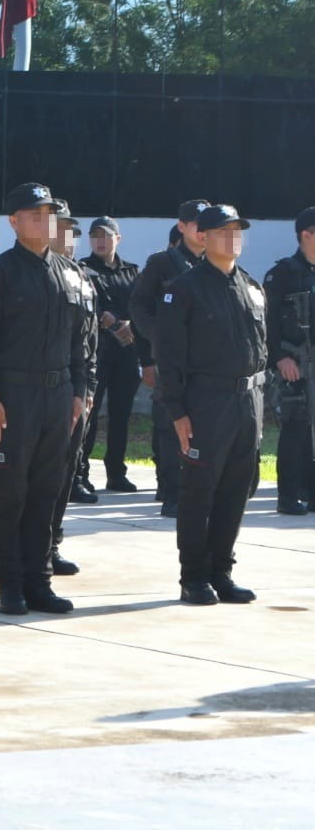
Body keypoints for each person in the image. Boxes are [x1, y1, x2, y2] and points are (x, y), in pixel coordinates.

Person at [0, 183, 89, 616]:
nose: (44, 221)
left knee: (46, 491)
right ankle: (11, 583)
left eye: (49, 214)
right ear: (15, 222)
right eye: (34, 214)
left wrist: (80, 392)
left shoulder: (70, 272)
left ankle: (40, 580)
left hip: (59, 397)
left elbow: (80, 341)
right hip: (13, 397)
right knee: (9, 494)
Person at [155, 203, 266, 605]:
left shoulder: (251, 287)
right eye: (224, 231)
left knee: (237, 490)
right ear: (203, 236)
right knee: (200, 491)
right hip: (206, 402)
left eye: (238, 230)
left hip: (247, 401)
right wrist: (177, 411)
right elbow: (167, 356)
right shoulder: (184, 288)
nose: (233, 238)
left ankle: (222, 571)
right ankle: (194, 577)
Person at [130, 200, 209, 517]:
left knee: (204, 426)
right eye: (197, 225)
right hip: (171, 362)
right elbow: (138, 306)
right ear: (182, 227)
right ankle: (171, 491)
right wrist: (159, 340)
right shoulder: (162, 263)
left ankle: (197, 491)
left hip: (206, 363)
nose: (203, 233)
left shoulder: (217, 263)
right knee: (169, 425)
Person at [47, 200, 97, 577]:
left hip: (73, 389)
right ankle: (24, 549)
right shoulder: (20, 272)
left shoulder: (79, 276)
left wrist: (87, 389)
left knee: (65, 471)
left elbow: (87, 341)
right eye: (60, 226)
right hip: (34, 389)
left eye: (71, 229)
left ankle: (51, 543)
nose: (67, 235)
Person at [80, 216, 144, 497]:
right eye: (95, 236)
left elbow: (142, 305)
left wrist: (131, 324)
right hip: (98, 352)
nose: (100, 241)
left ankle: (116, 473)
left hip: (127, 352)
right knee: (89, 415)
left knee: (121, 415)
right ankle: (81, 472)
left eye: (106, 236)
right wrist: (107, 321)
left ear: (118, 239)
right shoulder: (82, 269)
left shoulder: (132, 271)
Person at [262, 206, 315, 516]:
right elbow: (265, 322)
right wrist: (279, 357)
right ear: (305, 235)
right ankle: (289, 495)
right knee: (295, 429)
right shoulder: (282, 274)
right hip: (294, 365)